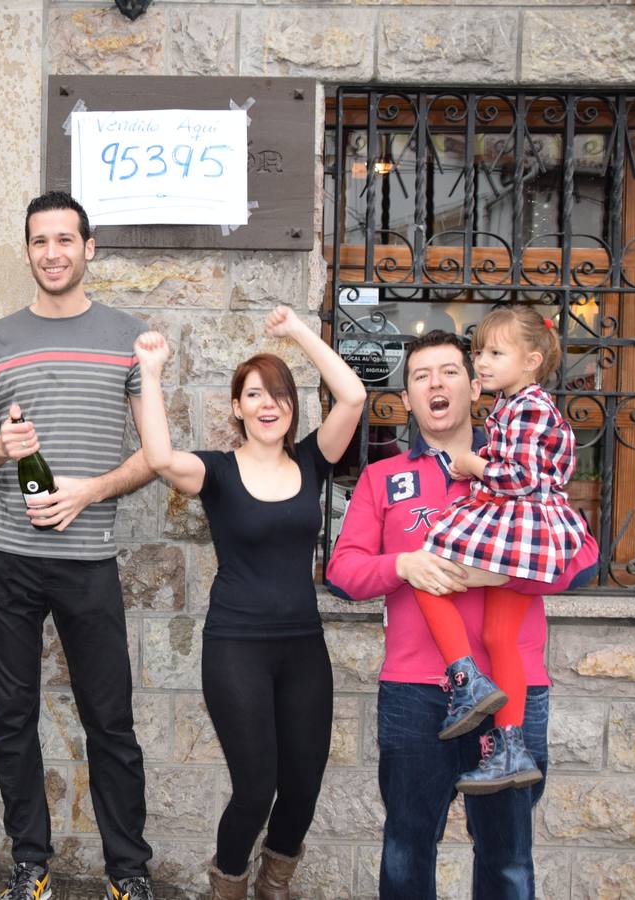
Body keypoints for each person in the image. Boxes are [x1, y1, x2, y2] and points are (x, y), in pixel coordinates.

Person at [325, 330, 599, 899]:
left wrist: (499, 574)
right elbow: (343, 573)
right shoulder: (382, 478)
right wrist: (404, 565)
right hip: (415, 693)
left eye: (450, 371)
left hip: (513, 692)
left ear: (475, 387)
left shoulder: (519, 467)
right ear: (407, 399)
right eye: (421, 376)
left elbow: (582, 559)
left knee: (507, 858)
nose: (436, 384)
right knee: (407, 847)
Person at [0, 191, 156, 900]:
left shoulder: (129, 337)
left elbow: (154, 455)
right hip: (6, 556)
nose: (53, 253)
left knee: (111, 721)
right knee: (11, 719)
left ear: (88, 248)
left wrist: (89, 492)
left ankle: (128, 873)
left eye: (65, 239)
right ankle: (30, 865)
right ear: (28, 251)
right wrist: (0, 448)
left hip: (88, 557)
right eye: (40, 241)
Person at [132, 307, 366, 900]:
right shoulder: (216, 472)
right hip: (236, 646)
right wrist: (151, 373)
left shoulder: (312, 461)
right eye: (254, 393)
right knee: (256, 787)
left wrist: (298, 333)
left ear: (292, 407)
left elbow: (354, 396)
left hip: (303, 647)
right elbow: (159, 458)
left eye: (279, 394)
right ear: (236, 407)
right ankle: (229, 883)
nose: (268, 404)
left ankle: (273, 883)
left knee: (303, 785)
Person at [412, 308, 588, 793]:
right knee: (498, 634)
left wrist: (473, 463)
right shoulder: (517, 404)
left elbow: (521, 478)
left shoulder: (528, 407)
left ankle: (467, 683)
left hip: (520, 527)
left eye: (495, 353)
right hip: (522, 529)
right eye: (479, 352)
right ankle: (511, 748)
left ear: (531, 361)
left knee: (430, 573)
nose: (482, 363)